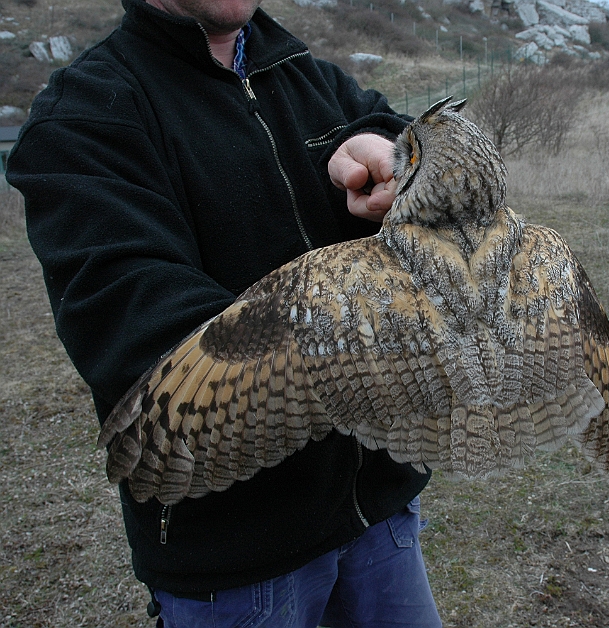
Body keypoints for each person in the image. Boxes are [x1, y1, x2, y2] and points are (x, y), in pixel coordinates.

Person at [5, 0, 442, 626]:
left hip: (381, 515)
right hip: (237, 560)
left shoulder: (301, 71)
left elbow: (399, 134)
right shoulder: (85, 115)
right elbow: (136, 320)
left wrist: (404, 159)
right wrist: (363, 337)